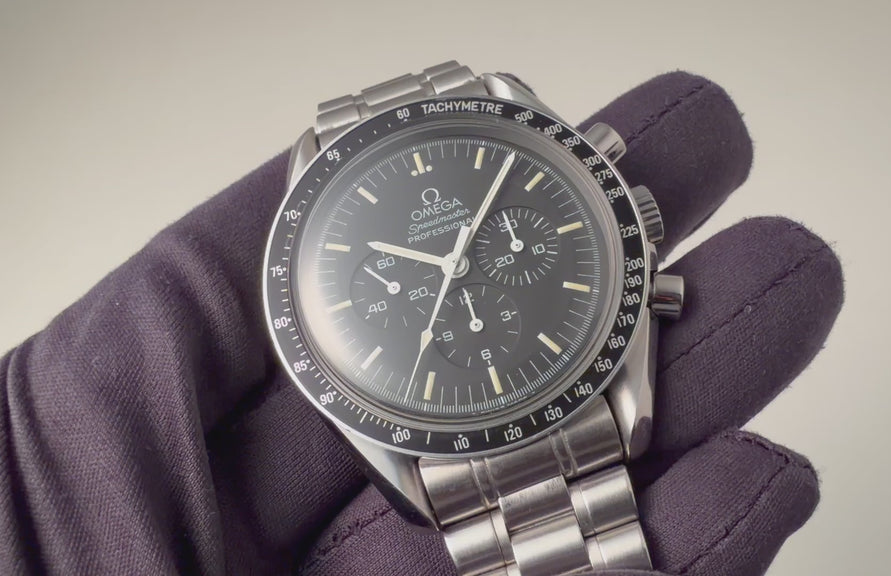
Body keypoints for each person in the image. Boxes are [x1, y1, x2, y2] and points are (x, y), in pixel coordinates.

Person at [0, 70, 844, 575]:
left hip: (568, 381)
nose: (451, 265)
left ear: (634, 228)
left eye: (460, 251)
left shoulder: (552, 181)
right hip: (440, 432)